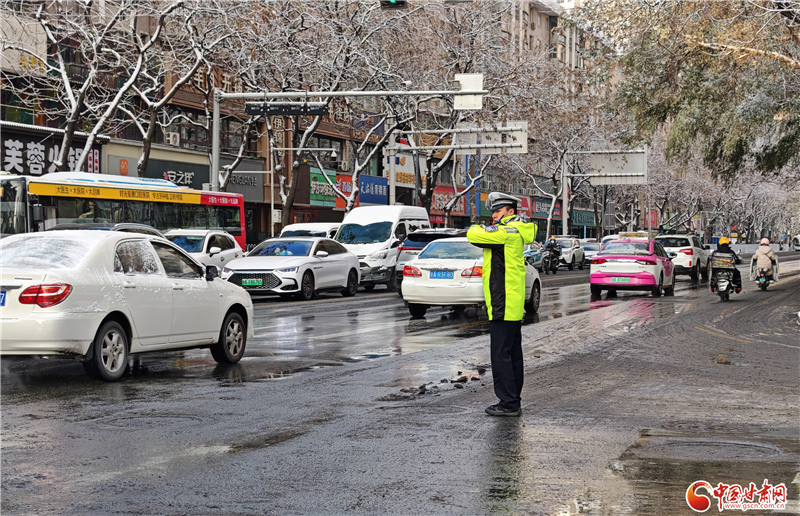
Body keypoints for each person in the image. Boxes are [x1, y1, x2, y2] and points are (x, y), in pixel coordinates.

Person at [467, 192, 536, 417]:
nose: (494, 216)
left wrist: (482, 226)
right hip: (512, 303)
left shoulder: (506, 232)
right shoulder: (515, 230)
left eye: (498, 211)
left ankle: (508, 403)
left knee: (500, 355)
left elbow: (473, 234)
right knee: (512, 354)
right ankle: (513, 399)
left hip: (503, 301)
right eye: (493, 212)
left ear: (510, 211)